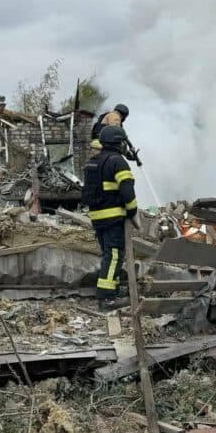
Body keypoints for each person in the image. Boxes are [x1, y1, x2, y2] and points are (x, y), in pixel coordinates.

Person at [82, 124, 137, 309]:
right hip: (113, 217)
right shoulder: (118, 161)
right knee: (114, 256)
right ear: (117, 143)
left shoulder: (93, 162)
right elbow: (128, 191)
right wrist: (133, 211)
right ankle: (106, 298)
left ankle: (112, 289)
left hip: (97, 217)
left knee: (109, 254)